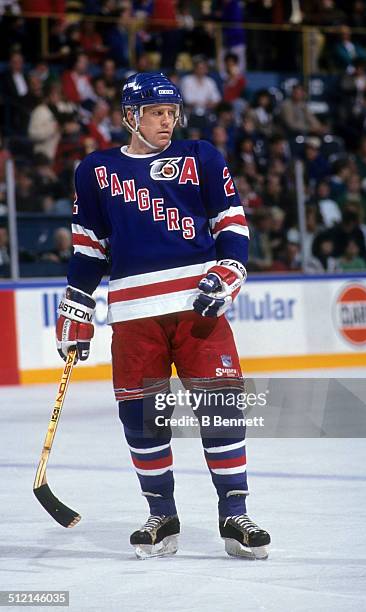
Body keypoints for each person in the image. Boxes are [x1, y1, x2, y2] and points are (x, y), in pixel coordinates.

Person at [55, 72, 270, 560]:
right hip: (133, 314)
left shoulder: (200, 158)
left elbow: (231, 223)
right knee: (141, 419)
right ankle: (161, 515)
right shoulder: (95, 171)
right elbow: (89, 250)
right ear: (131, 116)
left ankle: (234, 513)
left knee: (222, 411)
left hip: (198, 309)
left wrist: (230, 269)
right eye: (156, 112)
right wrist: (75, 305)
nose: (167, 121)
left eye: (172, 112)